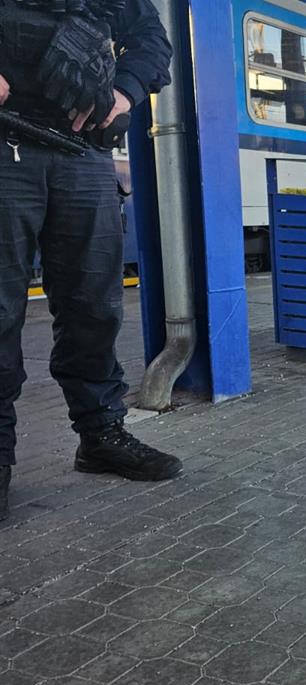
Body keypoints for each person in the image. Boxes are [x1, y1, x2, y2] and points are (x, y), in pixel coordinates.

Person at [0, 0, 178, 522]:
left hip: (84, 153)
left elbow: (151, 40)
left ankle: (101, 435)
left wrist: (123, 92)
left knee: (94, 307)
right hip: (5, 146)